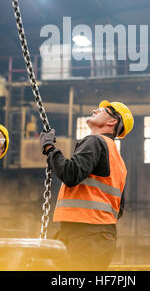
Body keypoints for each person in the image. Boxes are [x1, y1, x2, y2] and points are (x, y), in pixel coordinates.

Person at [40, 100, 134, 271]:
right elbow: (119, 209)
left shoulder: (95, 141)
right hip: (99, 236)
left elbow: (71, 174)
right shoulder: (118, 160)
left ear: (112, 121)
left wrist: (49, 148)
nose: (93, 110)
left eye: (100, 110)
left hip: (84, 234)